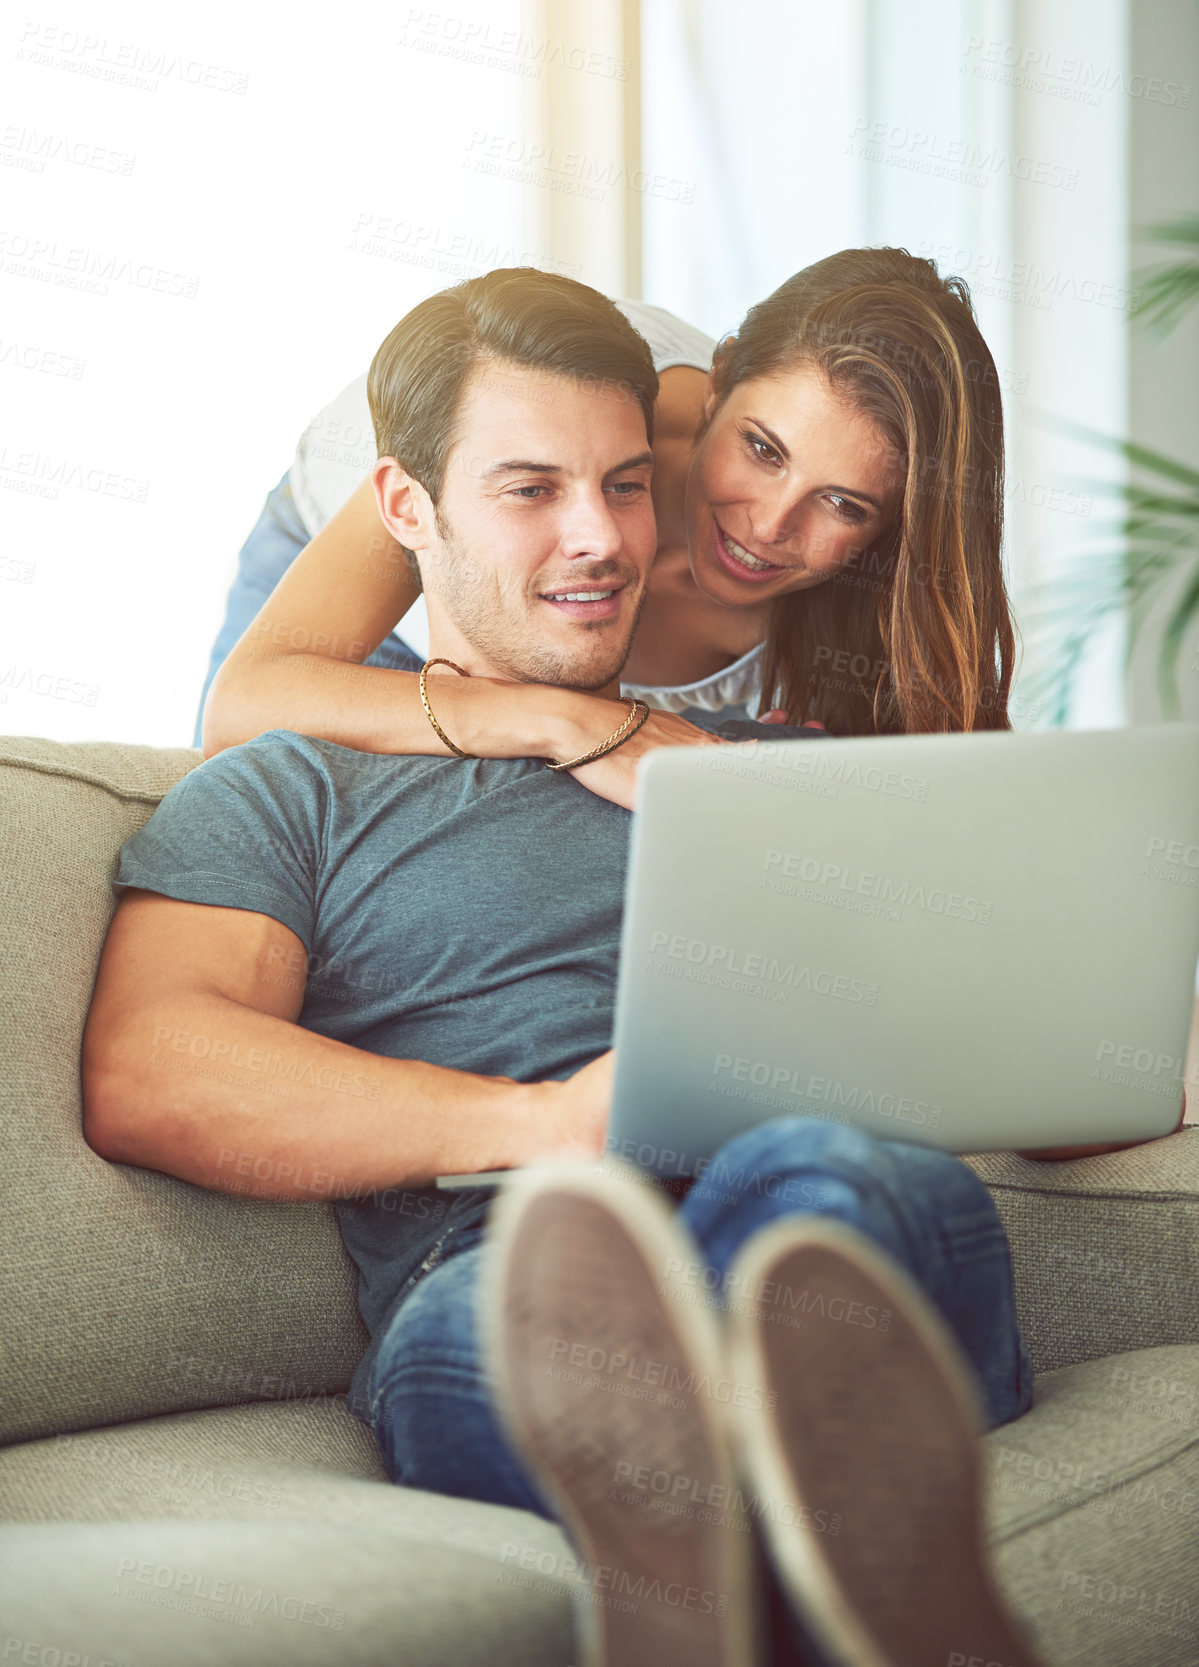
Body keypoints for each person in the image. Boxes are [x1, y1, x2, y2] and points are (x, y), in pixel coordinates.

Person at [85, 270, 1153, 1665]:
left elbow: (1069, 1080)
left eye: (623, 487)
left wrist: (1128, 1035)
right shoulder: (287, 788)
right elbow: (153, 1065)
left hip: (790, 1187)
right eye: (529, 489)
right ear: (410, 510)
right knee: (516, 1309)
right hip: (507, 1243)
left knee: (848, 1183)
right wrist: (536, 1124)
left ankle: (718, 1550)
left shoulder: (804, 772)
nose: (597, 537)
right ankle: (815, 1553)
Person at [196, 252, 1016, 810]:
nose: (767, 526)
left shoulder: (865, 616)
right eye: (761, 450)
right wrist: (569, 721)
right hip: (414, 589)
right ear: (721, 380)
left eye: (843, 504)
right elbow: (246, 704)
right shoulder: (573, 415)